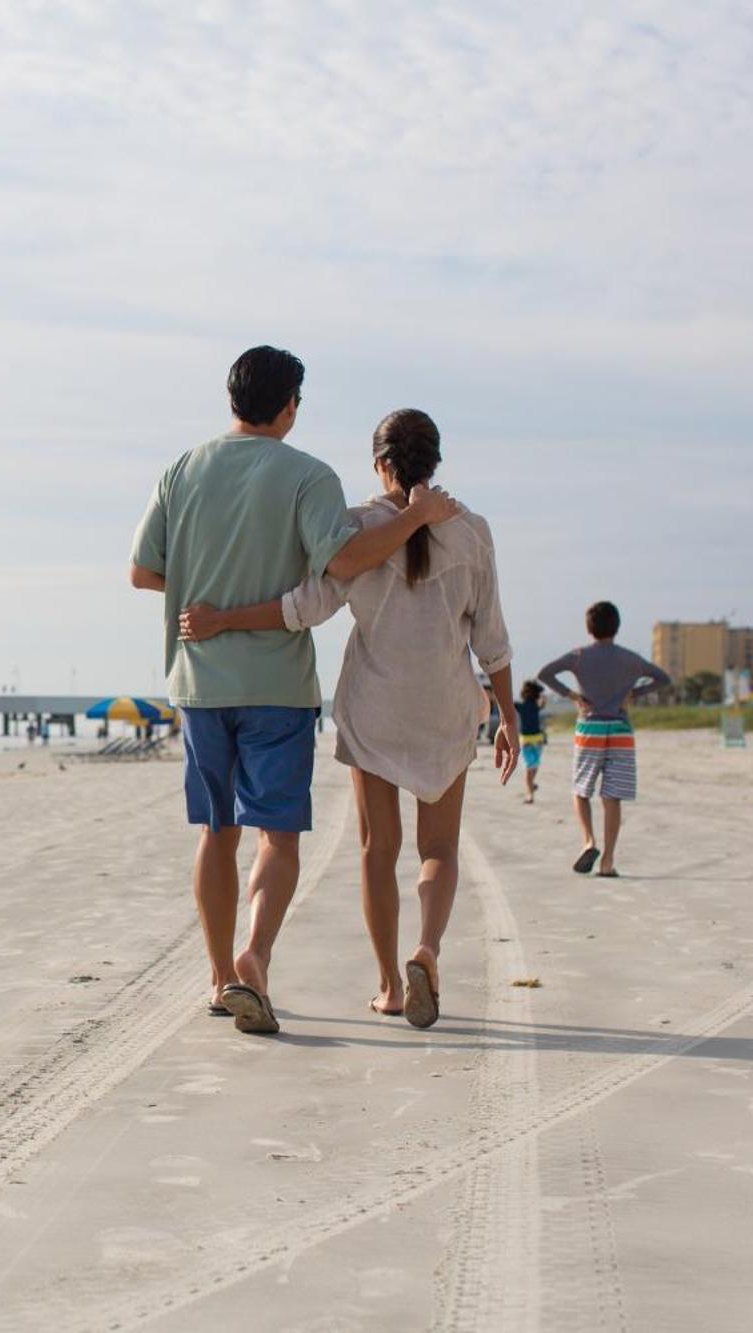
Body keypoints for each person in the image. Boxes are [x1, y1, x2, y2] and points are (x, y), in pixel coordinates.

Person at [130, 347, 462, 1036]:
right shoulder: (307, 475)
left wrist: (204, 594)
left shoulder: (182, 471)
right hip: (277, 684)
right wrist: (412, 519)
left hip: (198, 680)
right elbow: (343, 561)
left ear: (232, 399)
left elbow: (143, 571)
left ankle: (222, 979)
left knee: (215, 832)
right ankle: (256, 953)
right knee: (276, 839)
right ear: (290, 406)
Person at [180, 408, 514, 1029]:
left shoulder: (358, 530)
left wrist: (224, 620)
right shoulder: (472, 532)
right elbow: (490, 635)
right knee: (438, 847)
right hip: (446, 703)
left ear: (379, 464)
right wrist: (509, 717)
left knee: (376, 850)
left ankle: (389, 984)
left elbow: (303, 608)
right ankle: (427, 951)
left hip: (374, 705)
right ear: (434, 462)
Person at [537, 602, 672, 876]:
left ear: (589, 628)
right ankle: (608, 861)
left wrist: (572, 696)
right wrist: (634, 694)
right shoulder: (631, 659)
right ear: (617, 627)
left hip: (590, 728)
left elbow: (545, 674)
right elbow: (663, 678)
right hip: (620, 730)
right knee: (612, 796)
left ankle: (589, 841)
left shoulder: (579, 656)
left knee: (581, 789)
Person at [514, 681, 547, 804]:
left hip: (526, 740)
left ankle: (530, 795)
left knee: (529, 768)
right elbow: (543, 700)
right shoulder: (536, 706)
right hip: (538, 739)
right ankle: (531, 785)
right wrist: (542, 697)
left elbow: (508, 705)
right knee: (534, 765)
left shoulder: (521, 706)